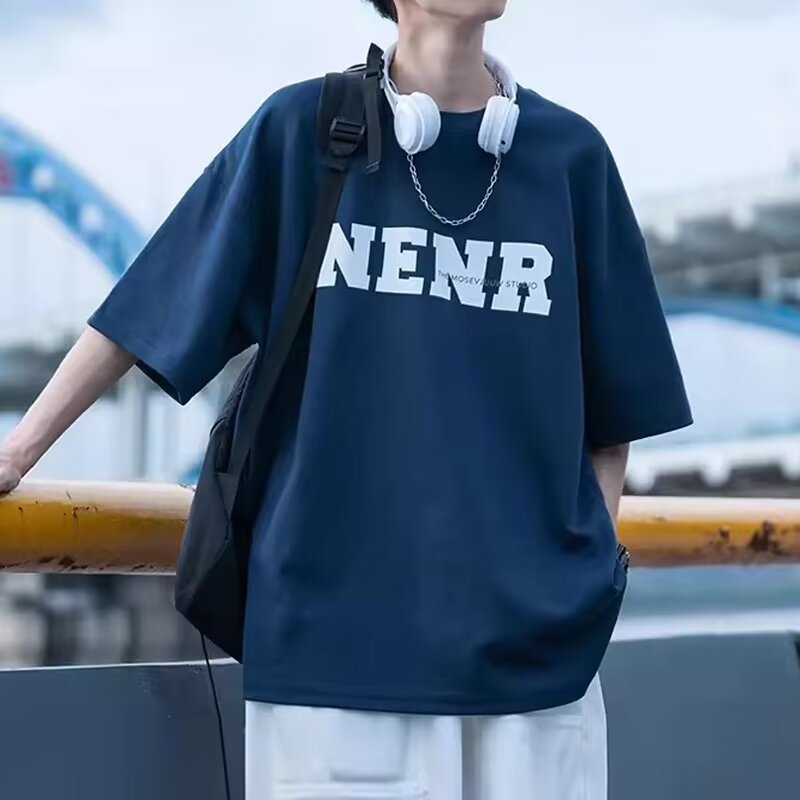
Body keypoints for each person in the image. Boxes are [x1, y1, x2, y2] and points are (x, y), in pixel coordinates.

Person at [0, 0, 693, 797]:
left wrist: (579, 580)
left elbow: (614, 411)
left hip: (535, 663)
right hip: (332, 646)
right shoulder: (304, 133)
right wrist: (19, 450)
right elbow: (150, 303)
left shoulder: (572, 158)